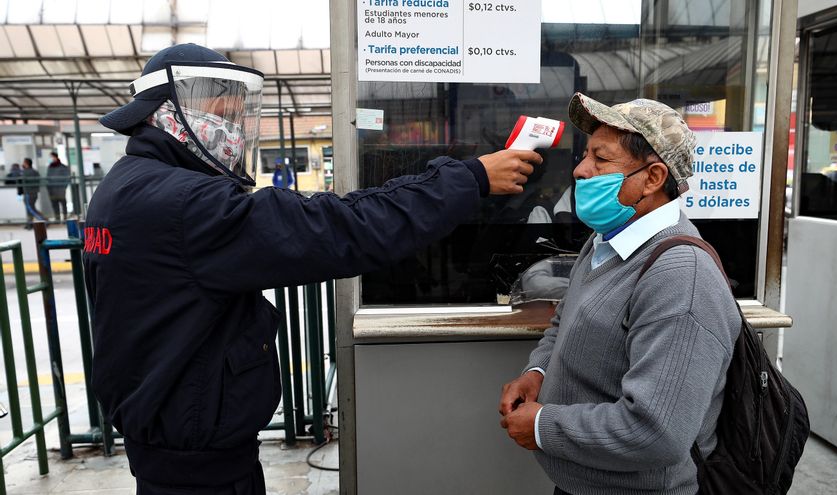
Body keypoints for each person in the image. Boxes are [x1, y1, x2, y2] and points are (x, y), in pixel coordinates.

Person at [83, 43, 540, 495]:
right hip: (198, 468)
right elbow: (342, 227)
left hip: (176, 448)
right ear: (160, 108)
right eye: (217, 105)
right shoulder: (188, 205)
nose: (231, 123)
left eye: (236, 110)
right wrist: (470, 178)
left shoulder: (124, 187)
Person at [498, 94, 741, 495]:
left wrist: (544, 427)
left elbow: (656, 432)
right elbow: (564, 322)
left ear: (652, 177)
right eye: (585, 155)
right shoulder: (606, 241)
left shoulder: (681, 279)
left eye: (601, 159)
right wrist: (537, 373)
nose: (580, 170)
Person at [20, 158, 46, 229]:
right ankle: (30, 223)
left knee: (30, 208)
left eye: (24, 162)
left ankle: (43, 220)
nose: (23, 164)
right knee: (31, 208)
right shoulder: (35, 171)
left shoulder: (26, 172)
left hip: (28, 193)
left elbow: (23, 181)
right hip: (34, 193)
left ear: (27, 163)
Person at [46, 151, 71, 220]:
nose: (50, 159)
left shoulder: (63, 167)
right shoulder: (50, 167)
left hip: (61, 188)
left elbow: (67, 177)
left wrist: (64, 186)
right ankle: (57, 218)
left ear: (55, 157)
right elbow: (48, 177)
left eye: (51, 157)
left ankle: (65, 217)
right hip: (52, 189)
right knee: (54, 203)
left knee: (63, 202)